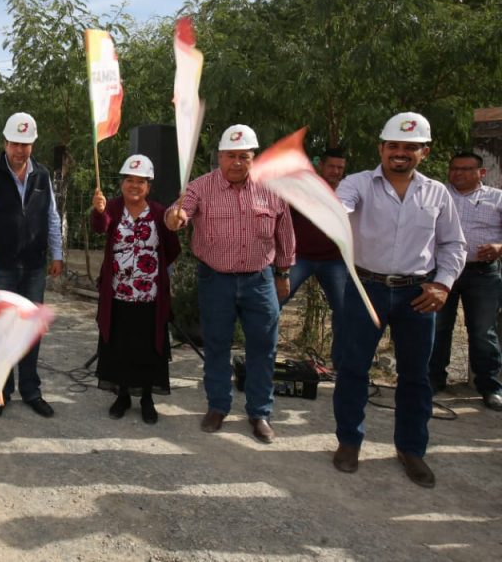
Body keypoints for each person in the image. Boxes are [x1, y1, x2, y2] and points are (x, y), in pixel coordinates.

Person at [331, 112, 466, 488]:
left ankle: (411, 449)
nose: (400, 153)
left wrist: (442, 285)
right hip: (365, 288)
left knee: (416, 375)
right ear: (381, 148)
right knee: (353, 369)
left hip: (417, 293)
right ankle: (349, 441)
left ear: (425, 152)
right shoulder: (357, 184)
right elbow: (339, 207)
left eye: (410, 147)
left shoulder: (437, 193)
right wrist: (331, 213)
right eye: (393, 146)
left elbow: (453, 244)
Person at [164, 124, 295, 444]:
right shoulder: (199, 187)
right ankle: (218, 406)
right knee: (217, 345)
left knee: (263, 347)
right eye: (230, 156)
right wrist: (174, 218)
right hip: (216, 279)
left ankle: (259, 412)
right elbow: (176, 214)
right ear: (220, 156)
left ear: (253, 158)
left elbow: (285, 233)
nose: (236, 162)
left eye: (243, 156)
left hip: (260, 280)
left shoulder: (272, 189)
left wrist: (283, 273)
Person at [0, 111, 63, 420]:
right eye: (15, 143)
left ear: (32, 145)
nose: (20, 150)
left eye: (26, 144)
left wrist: (58, 253)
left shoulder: (42, 175)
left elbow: (51, 216)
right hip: (1, 267)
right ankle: (1, 393)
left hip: (34, 267)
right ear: (5, 143)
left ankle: (31, 391)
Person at [91, 155, 181, 424]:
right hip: (118, 294)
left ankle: (146, 399)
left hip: (149, 296)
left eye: (141, 181)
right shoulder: (112, 207)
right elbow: (100, 227)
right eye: (129, 180)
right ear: (122, 184)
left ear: (148, 186)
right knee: (120, 346)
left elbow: (172, 248)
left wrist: (151, 271)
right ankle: (122, 396)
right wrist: (98, 211)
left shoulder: (158, 212)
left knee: (147, 348)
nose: (134, 186)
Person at [427, 152, 502, 410]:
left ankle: (490, 387)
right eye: (454, 168)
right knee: (438, 327)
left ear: (481, 172)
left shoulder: (497, 198)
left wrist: (499, 247)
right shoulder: (437, 195)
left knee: (482, 332)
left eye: (465, 169)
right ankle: (433, 380)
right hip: (442, 271)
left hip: (482, 273)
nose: (457, 173)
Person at [280, 147, 348, 365]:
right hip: (300, 256)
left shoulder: (349, 191)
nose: (335, 171)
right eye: (331, 166)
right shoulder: (305, 187)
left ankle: (340, 364)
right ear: (321, 166)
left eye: (340, 168)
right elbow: (284, 218)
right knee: (275, 300)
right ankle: (263, 356)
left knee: (345, 309)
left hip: (334, 259)